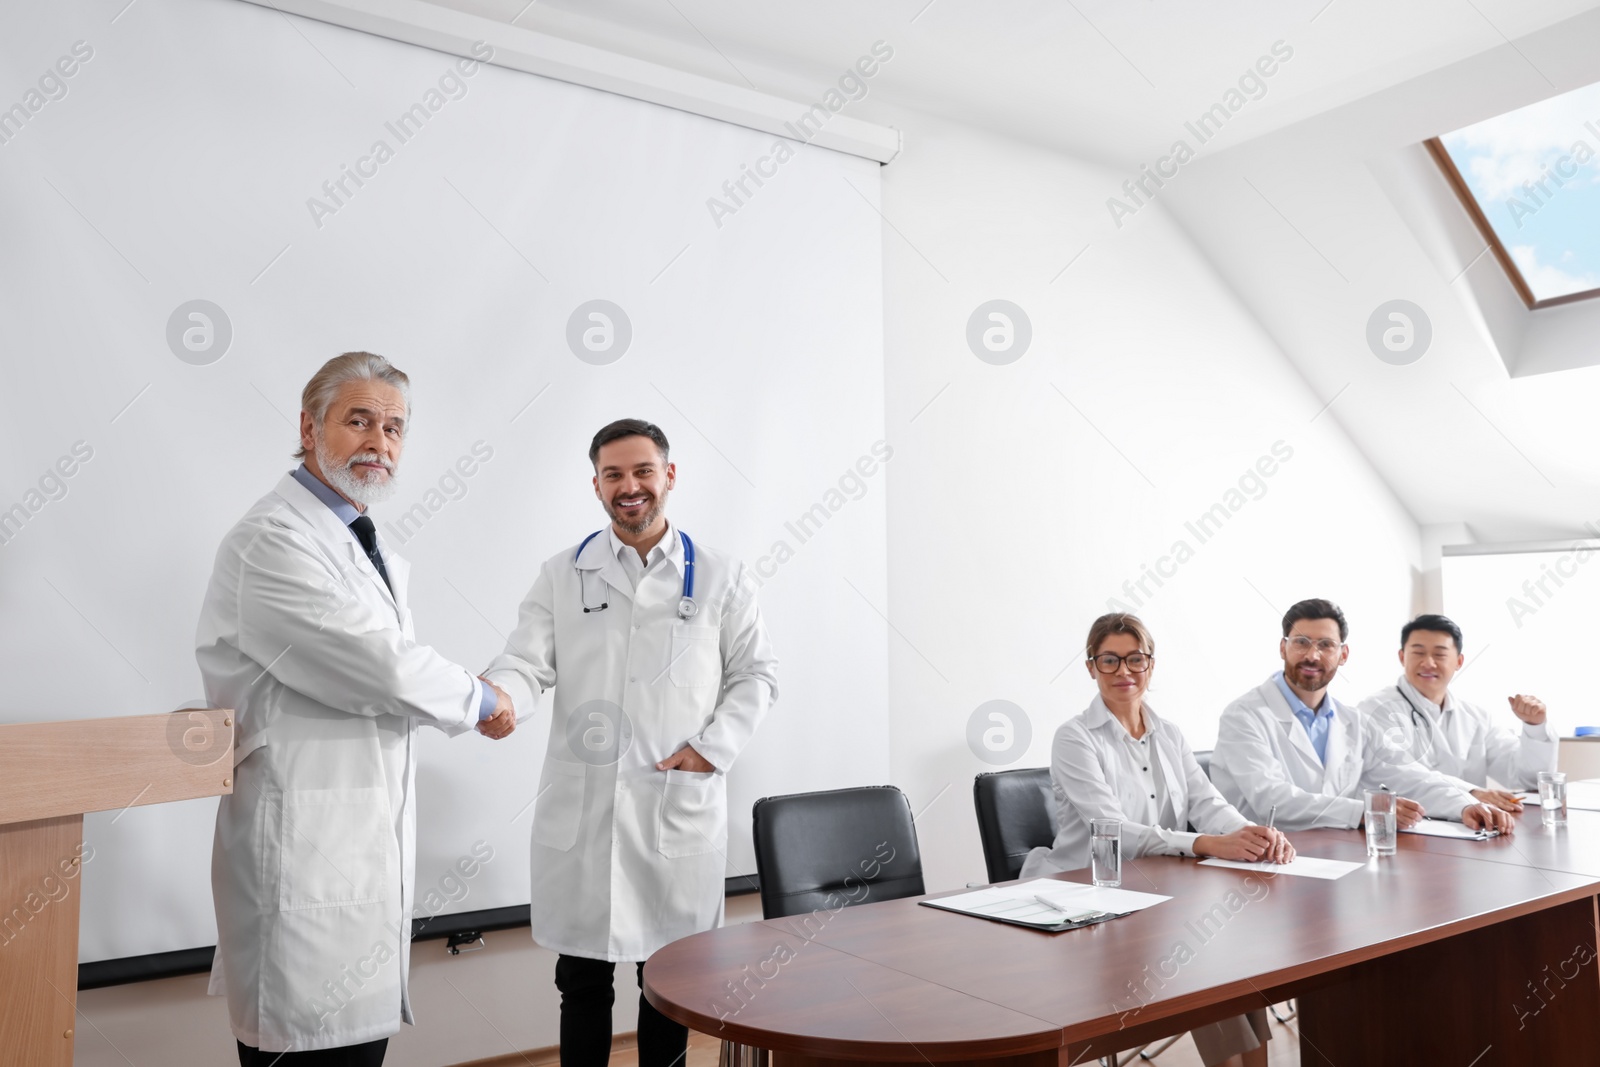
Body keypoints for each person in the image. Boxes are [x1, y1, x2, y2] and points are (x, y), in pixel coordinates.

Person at [197, 352, 516, 1066]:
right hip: (301, 853)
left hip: (358, 856)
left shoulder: (359, 543)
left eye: (395, 427)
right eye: (359, 420)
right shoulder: (271, 541)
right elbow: (373, 662)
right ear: (310, 429)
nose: (380, 440)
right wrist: (481, 696)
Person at [483, 418, 777, 1067]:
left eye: (642, 470)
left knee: (666, 985)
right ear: (596, 485)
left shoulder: (721, 576)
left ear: (668, 476)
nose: (630, 486)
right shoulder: (563, 573)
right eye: (613, 474)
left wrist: (712, 747)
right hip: (583, 814)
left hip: (673, 808)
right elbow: (524, 661)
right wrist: (500, 695)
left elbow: (757, 674)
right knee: (582, 982)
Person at [1021, 613, 1288, 1067]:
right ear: (1091, 668)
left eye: (1135, 659)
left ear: (1151, 665)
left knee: (1237, 957)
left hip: (1159, 889)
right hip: (1088, 895)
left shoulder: (1169, 733)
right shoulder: (1075, 737)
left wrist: (1249, 833)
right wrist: (1204, 844)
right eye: (1109, 660)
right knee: (1204, 958)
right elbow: (1113, 830)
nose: (1124, 671)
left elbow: (1206, 802)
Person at [1210, 599, 1511, 834]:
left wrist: (1464, 805)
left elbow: (1408, 776)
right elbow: (1271, 799)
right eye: (1301, 642)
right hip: (1259, 865)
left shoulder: (1353, 722)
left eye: (1326, 645)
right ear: (1282, 648)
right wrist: (1363, 812)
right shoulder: (1244, 716)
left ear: (1343, 655)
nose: (1312, 656)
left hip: (1334, 853)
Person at [1359, 613, 1555, 813]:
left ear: (1459, 661)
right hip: (1406, 830)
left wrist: (1535, 727)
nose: (1428, 663)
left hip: (1472, 826)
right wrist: (1471, 792)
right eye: (1418, 653)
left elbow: (1527, 779)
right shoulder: (1375, 710)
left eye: (1440, 654)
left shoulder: (1476, 717)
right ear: (1402, 657)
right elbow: (1398, 775)